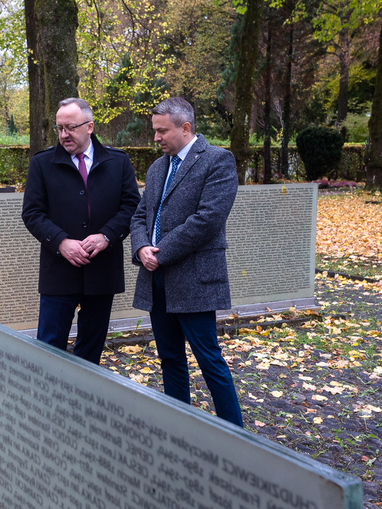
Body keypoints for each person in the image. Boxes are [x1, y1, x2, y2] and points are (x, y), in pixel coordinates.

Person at [129, 97, 243, 427]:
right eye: (155, 130)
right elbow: (140, 216)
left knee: (209, 359)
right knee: (170, 359)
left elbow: (207, 220)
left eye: (162, 130)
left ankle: (237, 436)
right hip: (157, 280)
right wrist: (141, 250)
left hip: (194, 280)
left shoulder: (218, 161)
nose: (156, 138)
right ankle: (181, 430)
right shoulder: (156, 168)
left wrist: (159, 251)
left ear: (186, 127)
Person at [22, 98, 140, 364]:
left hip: (102, 270)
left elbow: (132, 206)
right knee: (48, 350)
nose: (64, 135)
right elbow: (32, 213)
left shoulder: (118, 162)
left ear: (90, 127)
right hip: (59, 270)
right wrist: (61, 242)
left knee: (91, 351)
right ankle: (48, 404)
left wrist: (107, 235)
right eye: (60, 128)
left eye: (71, 127)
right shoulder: (42, 164)